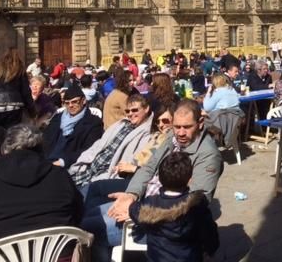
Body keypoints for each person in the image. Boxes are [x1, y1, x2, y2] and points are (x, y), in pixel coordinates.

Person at [84, 100, 222, 262]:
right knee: (90, 214)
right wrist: (131, 194)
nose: (181, 133)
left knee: (89, 231)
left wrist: (139, 212)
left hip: (161, 224)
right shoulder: (172, 138)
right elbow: (148, 167)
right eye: (177, 127)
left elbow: (195, 202)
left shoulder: (208, 155)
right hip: (145, 205)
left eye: (187, 127)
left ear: (200, 123)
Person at [0, 124, 83, 246]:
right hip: (56, 254)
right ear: (41, 148)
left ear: (4, 150)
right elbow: (78, 213)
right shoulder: (61, 177)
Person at [129, 152, 219, 262]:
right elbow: (209, 232)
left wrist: (131, 204)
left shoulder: (149, 204)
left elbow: (133, 211)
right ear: (189, 179)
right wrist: (211, 250)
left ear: (160, 180)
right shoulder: (197, 206)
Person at [69, 94, 153, 188]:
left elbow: (135, 160)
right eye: (127, 111)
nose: (130, 114)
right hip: (88, 169)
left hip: (105, 175)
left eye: (134, 110)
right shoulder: (121, 124)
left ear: (146, 109)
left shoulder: (148, 133)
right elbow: (99, 144)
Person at [43, 82, 104, 168]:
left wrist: (62, 162)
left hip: (67, 164)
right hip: (47, 159)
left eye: (74, 102)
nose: (70, 106)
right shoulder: (58, 118)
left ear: (83, 101)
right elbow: (46, 138)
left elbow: (89, 149)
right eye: (67, 103)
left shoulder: (93, 123)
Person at [0, 47, 34, 128]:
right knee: (11, 134)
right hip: (15, 106)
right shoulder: (20, 69)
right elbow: (26, 93)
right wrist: (32, 111)